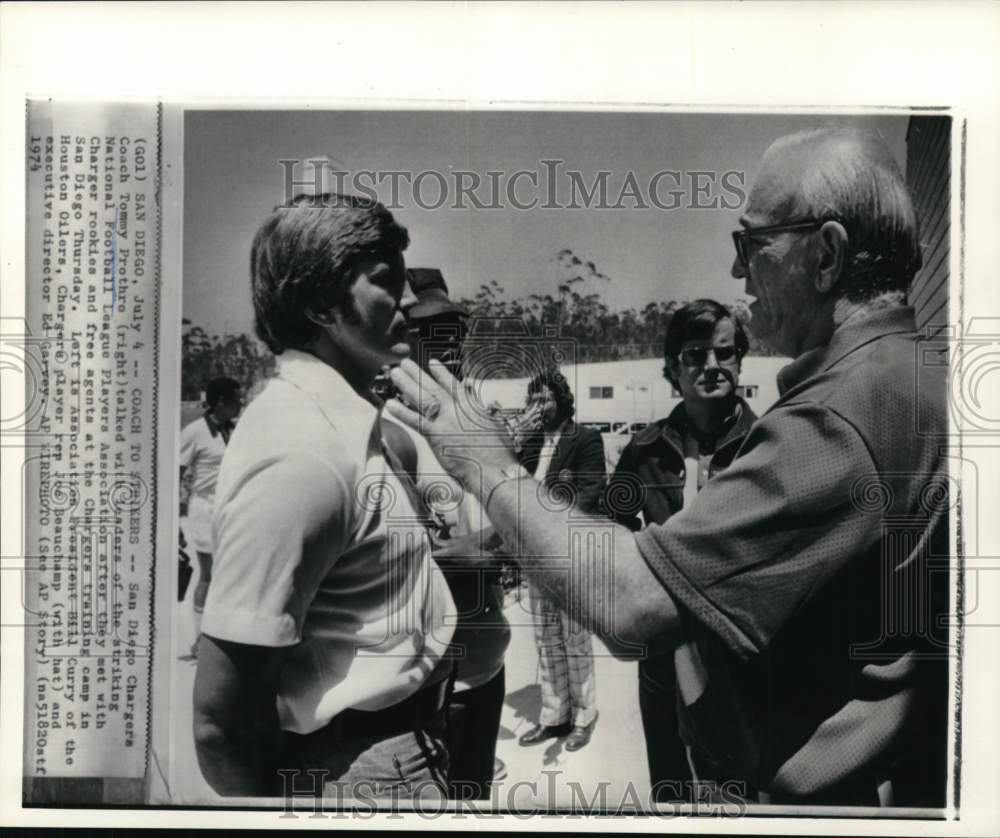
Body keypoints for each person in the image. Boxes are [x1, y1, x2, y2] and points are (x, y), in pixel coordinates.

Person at [386, 127, 949, 806]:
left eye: (750, 244)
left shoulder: (838, 415)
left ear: (825, 254)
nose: (740, 273)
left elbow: (630, 602)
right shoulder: (915, 375)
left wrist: (485, 462)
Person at [192, 193, 456, 801]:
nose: (411, 300)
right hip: (360, 775)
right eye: (387, 280)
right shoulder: (302, 452)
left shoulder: (346, 422)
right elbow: (220, 723)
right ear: (320, 304)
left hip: (408, 745)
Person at [606, 299, 756, 800]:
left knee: (740, 787)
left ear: (739, 361)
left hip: (742, 652)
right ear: (672, 370)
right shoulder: (644, 451)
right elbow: (611, 530)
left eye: (724, 353)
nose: (712, 366)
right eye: (695, 355)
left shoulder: (767, 444)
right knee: (670, 786)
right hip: (664, 651)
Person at [387, 266, 512, 800]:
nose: (450, 341)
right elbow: (391, 556)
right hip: (429, 689)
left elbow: (516, 524)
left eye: (456, 326)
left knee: (476, 803)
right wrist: (488, 550)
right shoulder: (388, 425)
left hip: (487, 668)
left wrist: (499, 545)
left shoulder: (478, 418)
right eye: (431, 328)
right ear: (403, 335)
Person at [514, 367, 605, 752]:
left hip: (567, 552)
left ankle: (583, 717)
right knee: (546, 639)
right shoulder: (531, 442)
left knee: (574, 638)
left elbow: (591, 490)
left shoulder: (584, 438)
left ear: (563, 400)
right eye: (534, 399)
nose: (541, 406)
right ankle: (554, 716)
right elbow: (509, 482)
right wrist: (517, 437)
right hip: (535, 553)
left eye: (547, 398)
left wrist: (550, 525)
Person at [178, 376, 242, 656]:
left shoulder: (234, 430)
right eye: (236, 399)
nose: (240, 403)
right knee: (208, 574)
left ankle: (221, 637)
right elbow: (176, 472)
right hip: (203, 508)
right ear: (221, 402)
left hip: (228, 508)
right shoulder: (194, 431)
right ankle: (200, 640)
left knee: (230, 574)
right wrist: (173, 521)